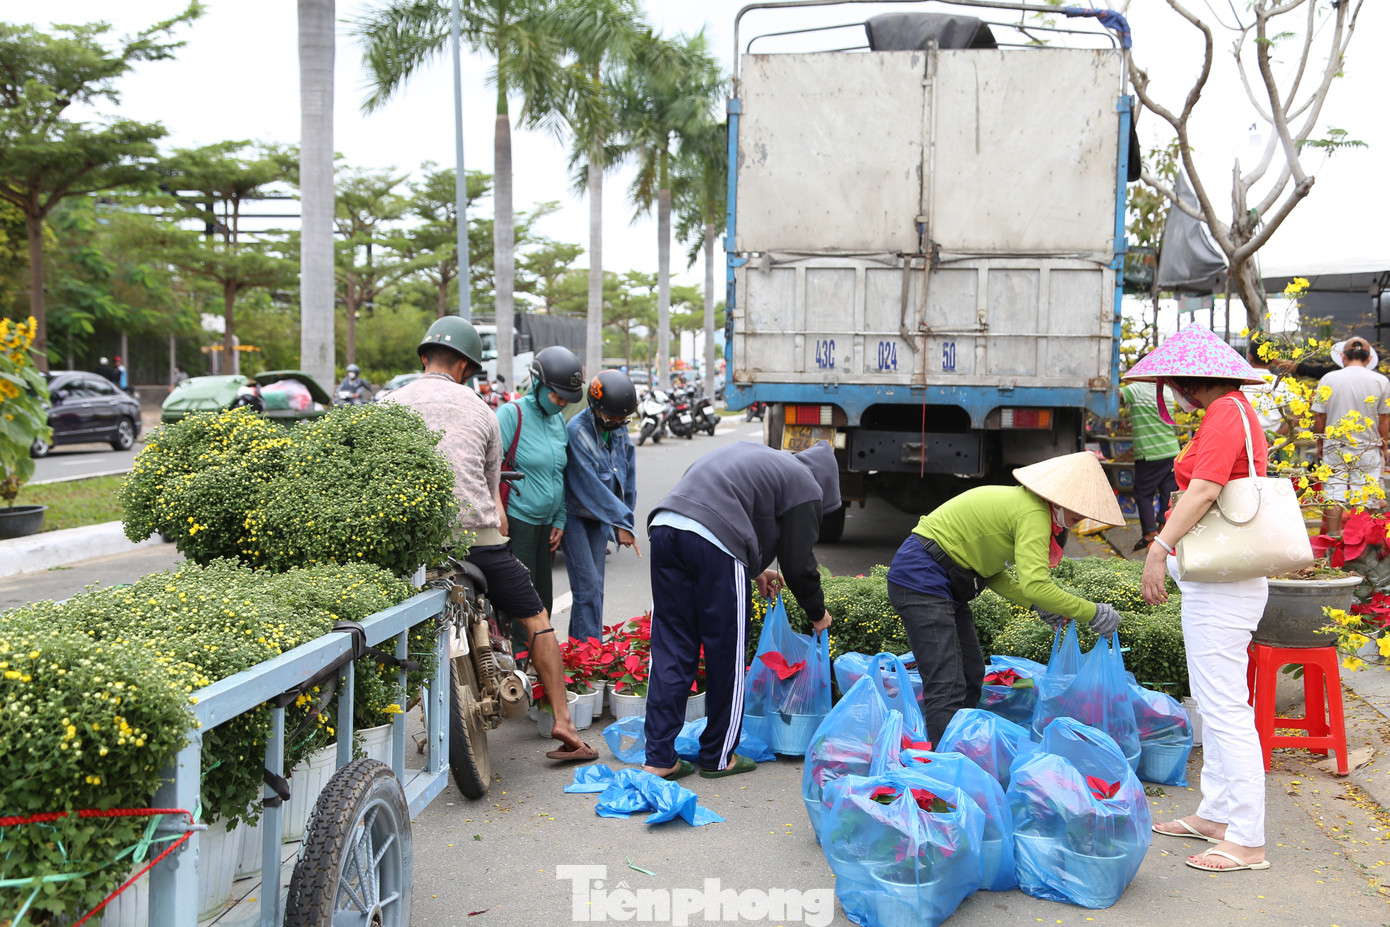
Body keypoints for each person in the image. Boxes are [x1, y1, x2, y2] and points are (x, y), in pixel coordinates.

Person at [385, 317, 595, 761]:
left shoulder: (385, 406)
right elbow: (491, 491)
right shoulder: (482, 410)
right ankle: (563, 722)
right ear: (465, 367)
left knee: (388, 630)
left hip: (411, 547)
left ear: (424, 358)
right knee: (538, 619)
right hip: (476, 543)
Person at [1127, 324, 1273, 874]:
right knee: (1215, 702)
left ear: (1191, 383)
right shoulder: (1233, 410)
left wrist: (1158, 548)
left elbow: (1206, 487)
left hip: (1224, 585)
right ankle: (1217, 815)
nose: (1178, 396)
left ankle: (1248, 840)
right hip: (1221, 581)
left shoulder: (1224, 414)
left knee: (1226, 709)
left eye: (1177, 385)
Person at [885, 452, 1125, 746]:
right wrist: (1093, 612)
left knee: (970, 674)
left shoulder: (1027, 506)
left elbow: (993, 572)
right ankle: (943, 768)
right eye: (1080, 511)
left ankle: (959, 748)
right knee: (946, 684)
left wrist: (1038, 605)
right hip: (921, 579)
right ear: (1061, 500)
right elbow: (1036, 584)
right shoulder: (1033, 514)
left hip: (946, 583)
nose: (1081, 520)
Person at [641, 441, 841, 781]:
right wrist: (816, 611)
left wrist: (752, 570)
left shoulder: (765, 461)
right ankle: (718, 756)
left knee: (672, 648)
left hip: (665, 527)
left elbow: (733, 512)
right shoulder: (807, 484)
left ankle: (659, 757)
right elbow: (797, 562)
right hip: (714, 540)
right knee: (726, 654)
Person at [495, 345, 583, 650]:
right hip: (517, 521)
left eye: (565, 399)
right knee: (520, 600)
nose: (560, 403)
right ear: (538, 383)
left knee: (542, 596)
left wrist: (560, 517)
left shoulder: (558, 422)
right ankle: (516, 661)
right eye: (556, 396)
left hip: (547, 524)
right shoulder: (512, 414)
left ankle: (536, 658)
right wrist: (499, 513)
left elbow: (559, 471)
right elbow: (489, 466)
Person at [561, 370, 639, 643]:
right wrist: (621, 520)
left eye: (622, 419)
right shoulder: (577, 432)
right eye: (611, 417)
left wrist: (624, 522)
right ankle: (588, 654)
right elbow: (590, 488)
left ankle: (579, 651)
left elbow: (627, 474)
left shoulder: (618, 428)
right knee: (588, 588)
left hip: (600, 516)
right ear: (595, 407)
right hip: (575, 516)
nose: (616, 423)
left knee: (595, 590)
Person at [1312, 337, 1390, 536]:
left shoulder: (1328, 379)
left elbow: (1319, 415)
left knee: (1333, 493)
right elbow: (1383, 420)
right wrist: (1384, 444)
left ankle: (1332, 543)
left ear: (1343, 356)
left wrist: (1320, 440)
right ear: (1369, 358)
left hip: (1335, 445)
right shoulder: (1381, 381)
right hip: (1368, 447)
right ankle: (1361, 546)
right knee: (1366, 496)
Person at [1120, 372, 1180, 551]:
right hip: (1171, 450)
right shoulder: (1167, 391)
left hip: (1150, 452)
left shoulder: (1137, 388)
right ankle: (1163, 528)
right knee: (1167, 493)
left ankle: (1149, 533)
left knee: (1143, 493)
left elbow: (1117, 395)